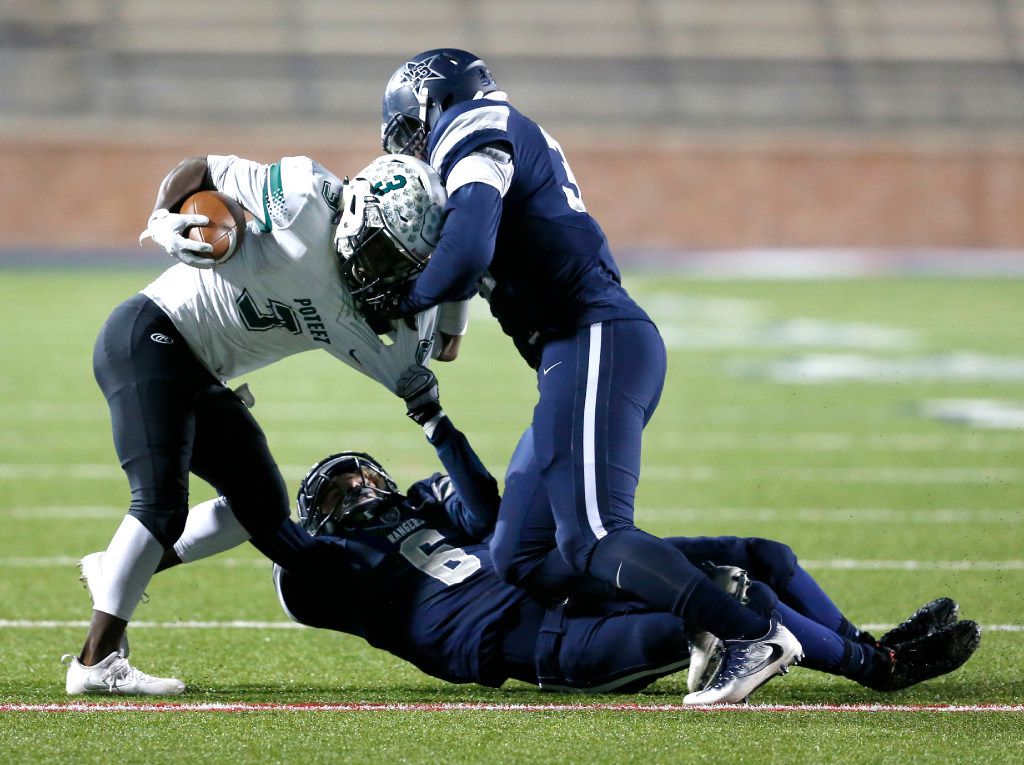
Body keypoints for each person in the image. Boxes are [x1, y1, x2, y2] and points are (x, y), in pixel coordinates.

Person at [94, 367, 980, 700]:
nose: (366, 482)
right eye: (346, 483)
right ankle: (878, 670)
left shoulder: (416, 509)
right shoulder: (321, 570)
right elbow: (265, 526)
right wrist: (219, 440)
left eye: (366, 468)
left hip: (558, 580)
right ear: (323, 512)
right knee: (729, 605)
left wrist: (438, 428)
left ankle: (870, 651)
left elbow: (488, 518)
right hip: (546, 641)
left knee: (759, 560)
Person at [357, 48, 799, 702]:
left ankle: (744, 631)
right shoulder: (492, 132)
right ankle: (742, 598)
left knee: (593, 533)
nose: (411, 146)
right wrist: (442, 314)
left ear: (433, 101)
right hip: (571, 348)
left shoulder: (471, 128)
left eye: (410, 128)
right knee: (522, 551)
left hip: (590, 334)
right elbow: (465, 266)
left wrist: (401, 298)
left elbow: (468, 247)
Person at [63, 152, 459, 696]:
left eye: (400, 263)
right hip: (151, 335)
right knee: (159, 505)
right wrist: (162, 217)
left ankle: (114, 569)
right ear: (359, 218)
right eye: (382, 250)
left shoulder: (393, 320)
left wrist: (449, 327)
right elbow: (200, 168)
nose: (384, 271)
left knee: (262, 509)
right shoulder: (301, 201)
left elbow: (442, 334)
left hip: (203, 371)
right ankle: (94, 664)